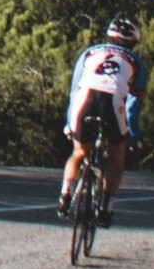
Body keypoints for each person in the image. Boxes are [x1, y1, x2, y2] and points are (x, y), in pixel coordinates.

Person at [58, 18, 144, 210]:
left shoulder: (89, 53)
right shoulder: (136, 62)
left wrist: (69, 123)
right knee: (116, 155)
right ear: (132, 43)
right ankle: (106, 205)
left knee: (79, 151)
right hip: (112, 103)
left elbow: (74, 91)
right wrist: (133, 135)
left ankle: (65, 195)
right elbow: (133, 105)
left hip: (84, 100)